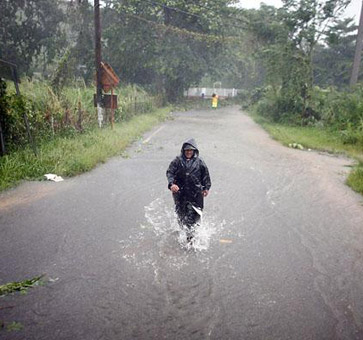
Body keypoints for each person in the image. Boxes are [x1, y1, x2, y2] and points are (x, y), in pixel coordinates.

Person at [166, 138, 211, 241]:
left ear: (194, 151)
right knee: (180, 215)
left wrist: (206, 188)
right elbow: (170, 173)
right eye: (187, 150)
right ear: (183, 151)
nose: (189, 152)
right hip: (180, 193)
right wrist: (172, 184)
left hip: (195, 195)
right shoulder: (177, 161)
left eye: (191, 150)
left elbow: (206, 176)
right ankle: (185, 231)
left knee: (192, 217)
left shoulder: (200, 162)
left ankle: (190, 238)